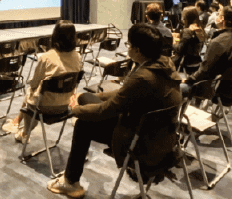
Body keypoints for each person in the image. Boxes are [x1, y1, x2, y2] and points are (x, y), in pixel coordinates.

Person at [47, 24, 181, 198]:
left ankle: (71, 182)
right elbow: (123, 93)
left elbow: (106, 110)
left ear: (138, 50)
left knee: (82, 124)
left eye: (129, 45)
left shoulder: (143, 77)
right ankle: (79, 156)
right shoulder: (164, 65)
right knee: (86, 98)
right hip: (162, 137)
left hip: (141, 143)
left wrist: (75, 109)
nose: (128, 48)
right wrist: (93, 96)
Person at [4, 21, 82, 142]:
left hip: (43, 108)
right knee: (36, 93)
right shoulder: (77, 56)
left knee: (31, 92)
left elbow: (34, 83)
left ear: (54, 36)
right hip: (65, 105)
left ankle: (23, 131)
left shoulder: (46, 57)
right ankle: (18, 124)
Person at [181, 6, 232, 102]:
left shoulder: (218, 41)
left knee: (175, 89)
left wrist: (189, 80)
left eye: (218, 14)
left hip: (213, 90)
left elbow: (204, 70)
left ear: (222, 18)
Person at [172, 6, 206, 73]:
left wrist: (174, 41)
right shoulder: (200, 29)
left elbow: (179, 50)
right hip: (197, 61)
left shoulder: (187, 31)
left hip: (184, 63)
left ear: (186, 18)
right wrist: (180, 37)